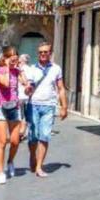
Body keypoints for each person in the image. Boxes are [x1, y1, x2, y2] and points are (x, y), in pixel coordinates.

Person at [24, 41, 67, 178]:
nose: (43, 54)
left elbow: (60, 88)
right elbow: (28, 87)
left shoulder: (56, 69)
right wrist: (27, 89)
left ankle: (39, 166)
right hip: (33, 105)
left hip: (49, 106)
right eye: (40, 52)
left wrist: (64, 106)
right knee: (33, 136)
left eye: (45, 52)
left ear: (50, 53)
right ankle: (32, 155)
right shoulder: (32, 69)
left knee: (45, 135)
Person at [0, 45, 27, 185]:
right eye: (11, 58)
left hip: (14, 107)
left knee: (15, 141)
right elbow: (5, 84)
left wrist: (28, 86)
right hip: (1, 107)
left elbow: (25, 83)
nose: (14, 60)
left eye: (15, 58)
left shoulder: (18, 71)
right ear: (5, 58)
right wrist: (7, 67)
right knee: (2, 141)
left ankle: (10, 161)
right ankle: (0, 172)